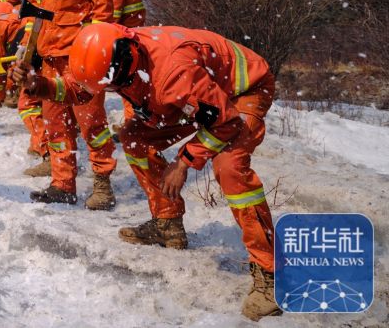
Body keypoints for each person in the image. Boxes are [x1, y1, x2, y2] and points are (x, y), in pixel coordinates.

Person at [50, 22, 281, 321]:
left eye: (113, 85)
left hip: (243, 90)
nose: (111, 90)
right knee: (135, 138)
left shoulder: (173, 72)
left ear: (126, 62)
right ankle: (167, 223)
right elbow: (82, 90)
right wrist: (39, 86)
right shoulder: (117, 55)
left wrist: (183, 162)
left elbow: (226, 123)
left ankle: (270, 272)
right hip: (202, 95)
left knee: (229, 166)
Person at [13, 0, 118, 210]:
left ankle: (102, 184)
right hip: (50, 59)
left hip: (81, 59)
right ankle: (62, 184)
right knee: (56, 125)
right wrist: (25, 50)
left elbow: (103, 9)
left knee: (91, 125)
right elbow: (35, 12)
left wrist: (96, 52)